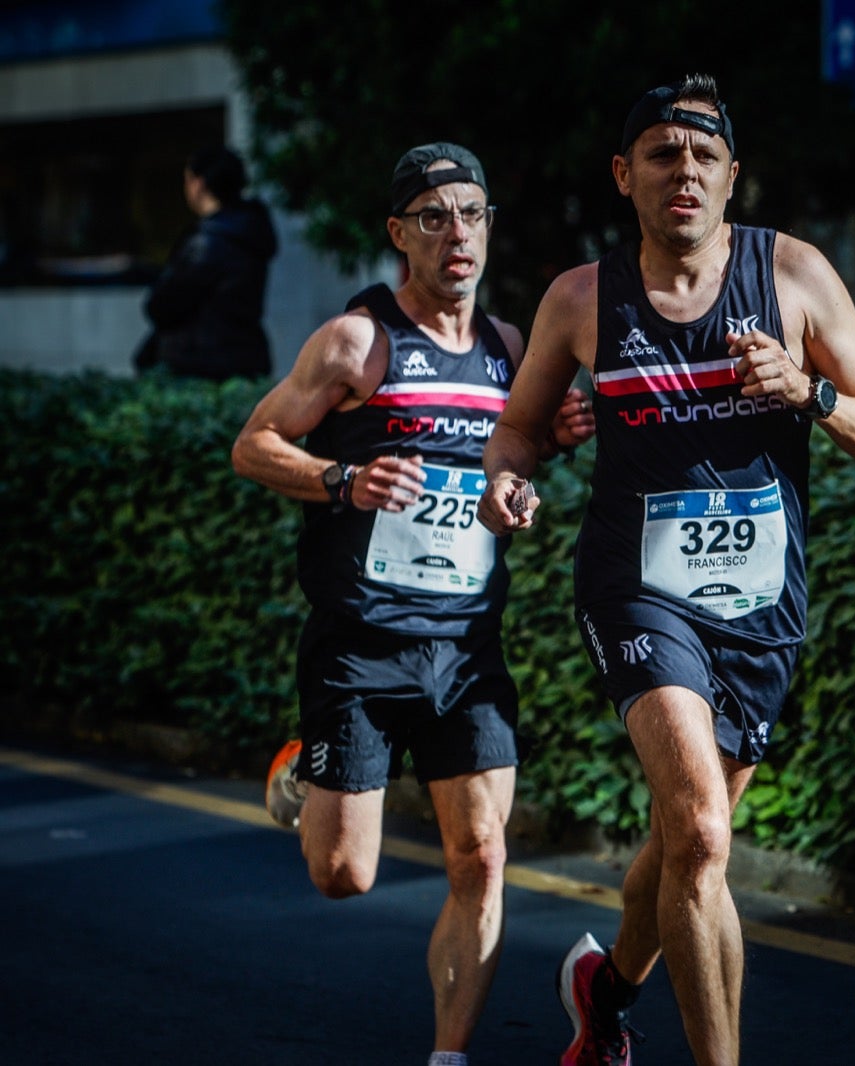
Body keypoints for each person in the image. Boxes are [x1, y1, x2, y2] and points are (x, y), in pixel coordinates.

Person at [476, 74, 855, 1066]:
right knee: (701, 829)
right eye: (663, 155)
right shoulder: (581, 299)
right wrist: (513, 475)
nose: (684, 171)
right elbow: (517, 431)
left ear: (732, 178)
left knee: (683, 843)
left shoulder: (794, 274)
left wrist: (807, 392)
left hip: (761, 604)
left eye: (703, 155)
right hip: (636, 589)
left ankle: (605, 988)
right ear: (624, 175)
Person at [231, 142, 593, 1066]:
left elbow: (507, 460)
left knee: (482, 855)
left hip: (467, 644)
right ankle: (306, 768)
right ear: (400, 234)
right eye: (434, 216)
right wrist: (343, 477)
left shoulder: (511, 349)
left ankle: (449, 1054)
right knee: (344, 876)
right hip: (360, 644)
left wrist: (544, 447)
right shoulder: (361, 343)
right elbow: (256, 443)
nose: (457, 233)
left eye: (471, 213)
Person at [136, 145, 278, 379]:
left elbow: (163, 306)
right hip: (245, 359)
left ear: (198, 184)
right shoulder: (250, 230)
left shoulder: (208, 243)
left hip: (197, 365)